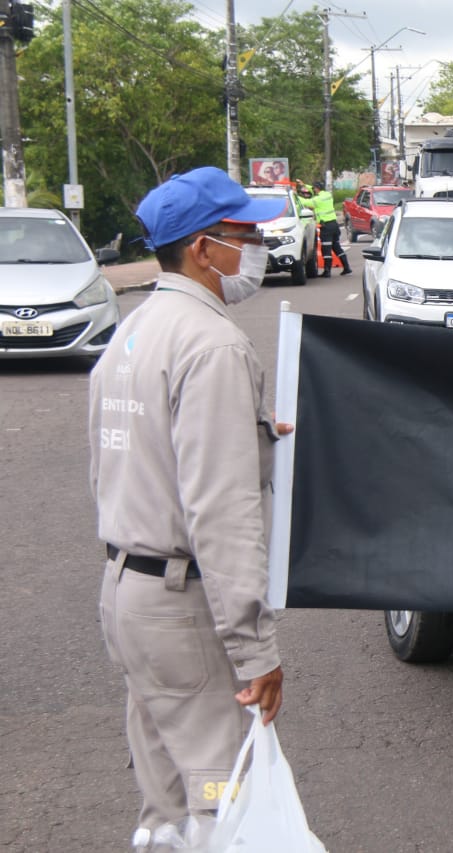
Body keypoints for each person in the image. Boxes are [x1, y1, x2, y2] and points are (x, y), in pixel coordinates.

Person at [90, 167, 288, 850]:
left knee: (166, 808)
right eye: (245, 233)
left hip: (128, 596)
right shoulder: (213, 345)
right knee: (219, 806)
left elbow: (126, 464)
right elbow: (222, 514)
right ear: (204, 248)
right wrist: (255, 649)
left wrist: (254, 432)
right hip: (183, 612)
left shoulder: (133, 334)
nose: (258, 244)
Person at [297, 179, 350, 277]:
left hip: (326, 227)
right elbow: (313, 191)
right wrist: (304, 184)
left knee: (326, 249)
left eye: (314, 188)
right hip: (334, 225)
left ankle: (327, 271)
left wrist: (294, 196)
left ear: (316, 189)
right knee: (336, 247)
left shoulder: (317, 200)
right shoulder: (328, 195)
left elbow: (306, 202)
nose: (313, 190)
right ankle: (347, 267)